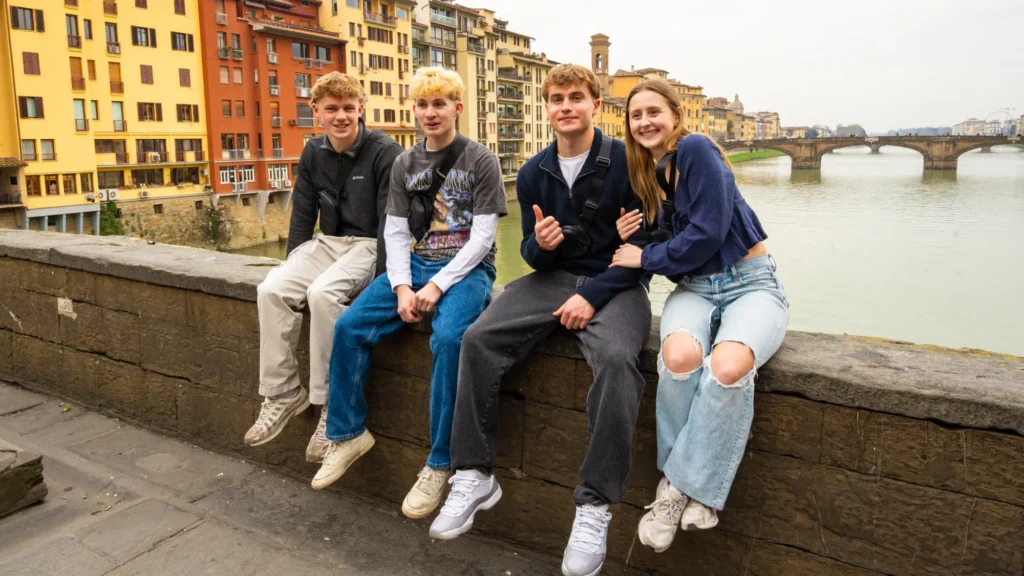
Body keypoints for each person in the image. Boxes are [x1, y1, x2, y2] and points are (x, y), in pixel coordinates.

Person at [429, 64, 651, 576]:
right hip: (554, 281)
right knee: (478, 337)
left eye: (576, 96)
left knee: (618, 360)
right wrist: (540, 245)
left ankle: (594, 506)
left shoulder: (627, 161)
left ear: (596, 104)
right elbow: (531, 254)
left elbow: (644, 247)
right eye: (556, 98)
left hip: (616, 282)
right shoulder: (532, 173)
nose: (566, 106)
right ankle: (474, 473)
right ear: (546, 107)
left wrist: (592, 295)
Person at [310, 67, 507, 522]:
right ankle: (347, 434)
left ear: (457, 108)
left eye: (440, 103)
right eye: (422, 104)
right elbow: (395, 232)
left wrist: (437, 286)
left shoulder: (480, 160)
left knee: (449, 340)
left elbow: (482, 239)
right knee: (349, 326)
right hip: (415, 264)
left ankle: (440, 464)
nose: (430, 112)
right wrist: (401, 286)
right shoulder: (405, 163)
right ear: (413, 110)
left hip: (467, 270)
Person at [610, 79, 789, 553]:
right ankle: (690, 491)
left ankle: (677, 489)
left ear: (675, 114)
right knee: (679, 358)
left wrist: (642, 258)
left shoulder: (695, 150)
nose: (645, 121)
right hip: (695, 289)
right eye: (635, 115)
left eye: (653, 111)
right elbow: (673, 244)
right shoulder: (647, 171)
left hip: (750, 282)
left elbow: (708, 234)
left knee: (727, 368)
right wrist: (633, 237)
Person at [243, 73, 402, 464]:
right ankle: (282, 394)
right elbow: (302, 214)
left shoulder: (386, 151)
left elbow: (390, 224)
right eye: (332, 109)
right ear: (317, 112)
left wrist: (382, 280)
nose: (341, 117)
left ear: (361, 109)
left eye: (349, 108)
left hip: (367, 244)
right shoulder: (313, 151)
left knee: (323, 294)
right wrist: (293, 263)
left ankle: (330, 404)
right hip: (327, 243)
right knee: (272, 289)